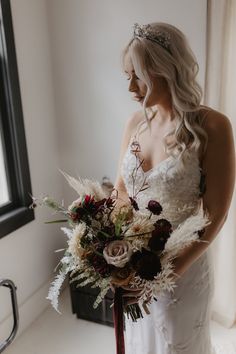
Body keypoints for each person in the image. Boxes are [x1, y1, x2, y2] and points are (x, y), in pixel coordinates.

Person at [112, 22, 235, 354]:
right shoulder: (135, 123)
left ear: (162, 70)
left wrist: (163, 275)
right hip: (136, 269)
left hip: (185, 269)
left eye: (137, 76)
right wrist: (116, 246)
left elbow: (215, 215)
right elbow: (122, 189)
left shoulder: (213, 126)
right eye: (128, 77)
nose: (131, 88)